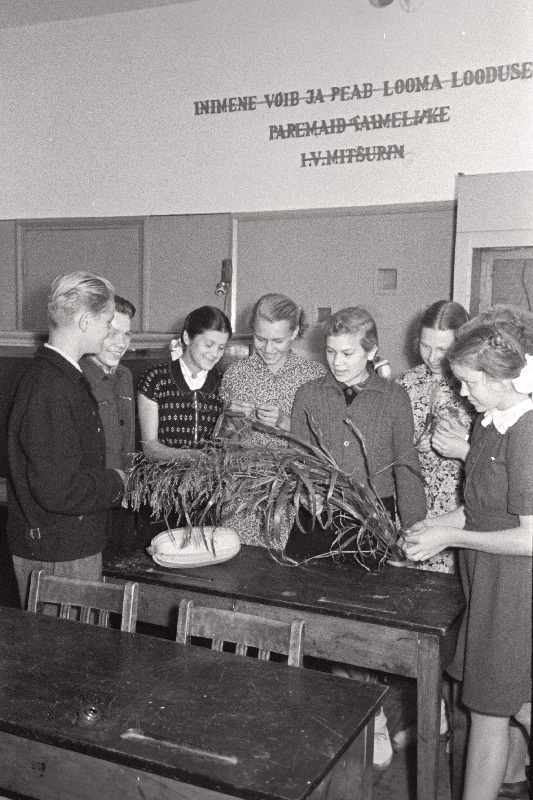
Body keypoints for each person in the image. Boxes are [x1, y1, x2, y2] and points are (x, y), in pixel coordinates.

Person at [285, 306, 427, 771]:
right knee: (311, 621)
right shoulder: (308, 394)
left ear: (371, 351)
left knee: (362, 630)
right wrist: (307, 495)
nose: (338, 361)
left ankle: (376, 725)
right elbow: (296, 458)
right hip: (318, 521)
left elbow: (406, 466)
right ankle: (322, 718)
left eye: (348, 353)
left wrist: (415, 530)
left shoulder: (393, 398)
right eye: (330, 351)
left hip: (373, 522)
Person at [401, 306, 532, 800]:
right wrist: (434, 525)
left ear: (500, 378)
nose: (462, 392)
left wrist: (451, 538)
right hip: (487, 582)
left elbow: (529, 536)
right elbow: (476, 507)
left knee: (497, 707)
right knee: (498, 705)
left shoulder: (526, 432)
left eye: (469, 382)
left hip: (517, 590)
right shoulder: (490, 421)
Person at [7, 272, 126, 607]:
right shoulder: (52, 386)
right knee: (66, 656)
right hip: (61, 550)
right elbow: (58, 490)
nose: (109, 332)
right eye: (107, 322)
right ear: (86, 321)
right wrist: (115, 484)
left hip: (65, 542)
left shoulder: (56, 377)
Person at [219, 293, 326, 548]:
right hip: (243, 497)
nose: (268, 349)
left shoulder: (314, 377)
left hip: (294, 497)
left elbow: (326, 441)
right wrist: (229, 417)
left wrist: (286, 422)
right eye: (260, 339)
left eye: (277, 340)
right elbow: (222, 443)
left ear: (295, 332)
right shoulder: (236, 374)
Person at [398, 300, 475, 573]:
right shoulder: (405, 383)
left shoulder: (475, 387)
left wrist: (465, 442)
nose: (431, 357)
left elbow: (495, 458)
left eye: (443, 349)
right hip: (411, 504)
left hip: (458, 510)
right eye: (425, 346)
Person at [137, 305, 232, 463]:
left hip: (210, 483)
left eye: (221, 348)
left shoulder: (225, 383)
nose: (215, 354)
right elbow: (150, 447)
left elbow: (230, 441)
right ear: (187, 338)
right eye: (208, 345)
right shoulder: (155, 380)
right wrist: (194, 457)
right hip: (163, 481)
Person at [81, 295, 137, 554]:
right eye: (112, 332)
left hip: (124, 500)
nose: (121, 343)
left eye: (126, 334)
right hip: (91, 501)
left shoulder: (125, 375)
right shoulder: (77, 377)